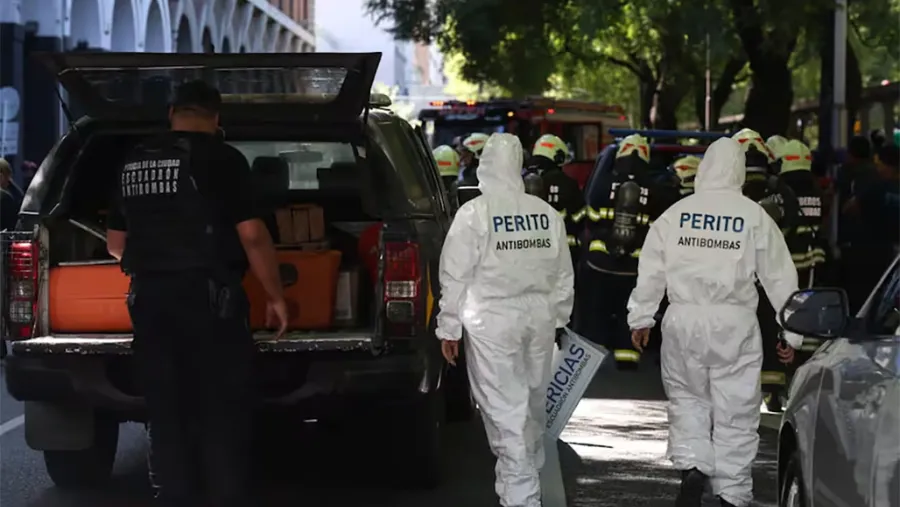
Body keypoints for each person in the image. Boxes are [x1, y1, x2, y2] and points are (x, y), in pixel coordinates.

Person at [105, 80, 288, 507]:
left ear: (171, 112)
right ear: (216, 117)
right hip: (210, 303)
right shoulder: (222, 159)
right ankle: (223, 494)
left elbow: (116, 244)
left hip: (149, 301)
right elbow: (253, 236)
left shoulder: (134, 160)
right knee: (219, 405)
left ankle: (171, 495)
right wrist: (275, 296)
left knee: (164, 407)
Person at [626, 137, 801, 507]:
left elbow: (651, 270)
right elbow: (780, 278)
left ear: (704, 169)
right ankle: (732, 494)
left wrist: (642, 317)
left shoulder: (675, 214)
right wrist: (793, 333)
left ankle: (692, 466)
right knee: (735, 409)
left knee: (687, 399)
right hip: (734, 323)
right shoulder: (754, 216)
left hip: (682, 320)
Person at [436, 133, 574, 507]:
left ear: (485, 166)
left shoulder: (474, 214)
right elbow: (563, 273)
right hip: (539, 318)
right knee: (531, 402)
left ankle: (522, 495)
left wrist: (448, 327)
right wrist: (558, 319)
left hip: (491, 320)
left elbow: (455, 275)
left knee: (504, 409)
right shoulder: (544, 214)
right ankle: (523, 479)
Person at [579, 134, 678, 369]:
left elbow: (590, 214)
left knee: (596, 309)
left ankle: (589, 363)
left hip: (599, 260)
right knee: (628, 309)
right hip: (635, 264)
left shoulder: (603, 183)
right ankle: (628, 359)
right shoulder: (655, 189)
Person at [732, 128, 801, 412]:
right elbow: (793, 226)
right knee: (771, 328)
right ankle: (772, 393)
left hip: (735, 279)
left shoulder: (726, 193)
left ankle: (735, 394)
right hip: (768, 275)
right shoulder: (781, 189)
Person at [843, 143, 900, 312]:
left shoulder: (876, 188)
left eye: (879, 164)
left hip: (874, 252)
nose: (878, 168)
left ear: (887, 165)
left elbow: (849, 208)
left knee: (871, 298)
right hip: (890, 253)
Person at [524, 133, 587, 263]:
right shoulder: (568, 183)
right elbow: (580, 218)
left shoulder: (519, 180)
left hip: (527, 253)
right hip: (563, 253)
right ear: (557, 157)